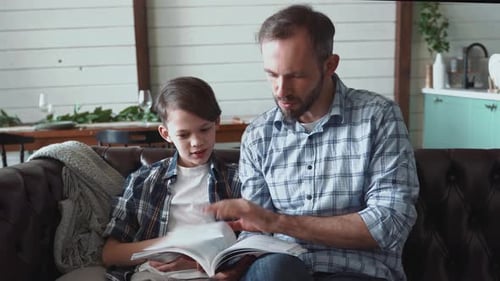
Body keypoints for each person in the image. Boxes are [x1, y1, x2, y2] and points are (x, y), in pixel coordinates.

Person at [205, 4, 419, 281]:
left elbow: (389, 223)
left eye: (295, 75)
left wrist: (277, 222)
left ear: (329, 65)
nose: (281, 90)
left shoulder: (378, 117)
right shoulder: (259, 134)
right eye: (272, 74)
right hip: (280, 268)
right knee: (274, 270)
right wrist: (228, 264)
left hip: (355, 270)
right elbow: (256, 231)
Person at [101, 76, 249, 281]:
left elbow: (256, 243)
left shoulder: (239, 179)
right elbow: (110, 254)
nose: (196, 142)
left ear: (217, 122)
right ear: (166, 133)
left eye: (204, 129)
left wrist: (204, 263)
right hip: (154, 275)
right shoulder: (143, 181)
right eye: (183, 135)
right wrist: (172, 243)